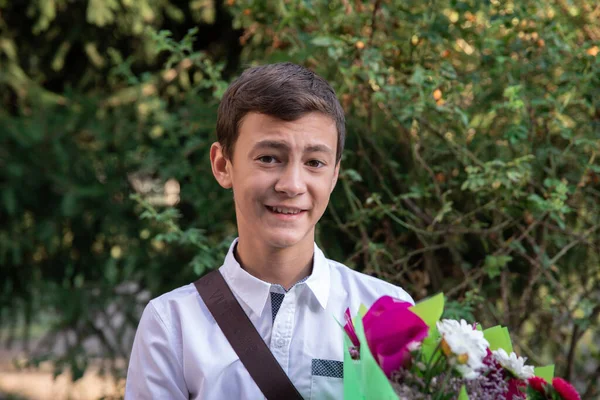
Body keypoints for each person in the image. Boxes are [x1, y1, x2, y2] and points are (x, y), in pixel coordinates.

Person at [125, 62, 413, 400]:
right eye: (268, 158)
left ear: (334, 175)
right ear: (223, 165)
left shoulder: (384, 309)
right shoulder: (172, 325)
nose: (292, 184)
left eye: (314, 163)